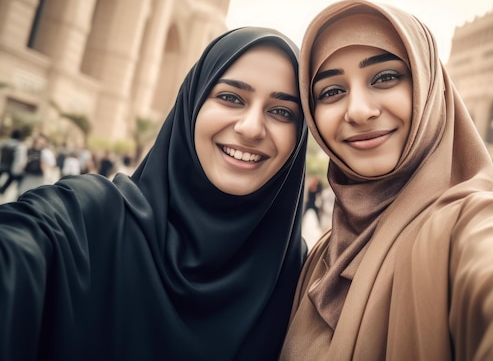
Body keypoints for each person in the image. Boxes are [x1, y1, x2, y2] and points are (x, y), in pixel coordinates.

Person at [280, 0, 493, 360]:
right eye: (332, 91)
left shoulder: (471, 225)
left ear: (431, 89)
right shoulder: (322, 255)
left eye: (385, 78)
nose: (359, 111)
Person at [0, 27, 308, 361]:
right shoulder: (90, 220)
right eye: (231, 98)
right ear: (192, 103)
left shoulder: (295, 275)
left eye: (281, 112)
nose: (250, 127)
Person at [0, 128, 27, 196]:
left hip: (2, 165)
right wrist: (17, 170)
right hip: (12, 168)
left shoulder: (4, 144)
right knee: (19, 179)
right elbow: (21, 160)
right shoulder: (20, 146)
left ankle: (3, 189)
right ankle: (19, 195)